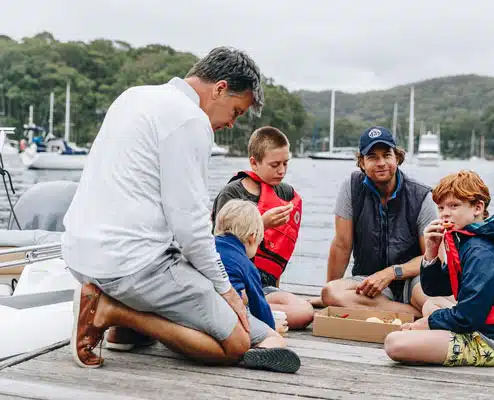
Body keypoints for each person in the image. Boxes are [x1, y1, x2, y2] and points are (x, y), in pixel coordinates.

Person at [63, 46, 287, 371]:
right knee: (236, 341)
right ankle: (111, 312)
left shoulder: (134, 96)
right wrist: (226, 292)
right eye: (236, 112)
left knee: (192, 294)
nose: (230, 123)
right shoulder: (189, 119)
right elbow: (192, 228)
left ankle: (126, 328)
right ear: (220, 88)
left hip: (80, 256)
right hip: (132, 266)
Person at [384, 170, 494, 366]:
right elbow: (436, 290)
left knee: (394, 343)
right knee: (431, 304)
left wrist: (424, 324)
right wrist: (431, 252)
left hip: (491, 342)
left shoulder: (484, 250)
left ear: (478, 207)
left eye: (454, 206)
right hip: (480, 325)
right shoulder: (467, 239)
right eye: (440, 207)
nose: (445, 213)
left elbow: (467, 317)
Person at [319, 126, 438, 317]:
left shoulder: (422, 196)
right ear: (362, 162)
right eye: (373, 156)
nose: (381, 162)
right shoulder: (351, 187)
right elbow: (341, 245)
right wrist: (329, 297)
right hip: (369, 282)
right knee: (330, 292)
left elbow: (431, 258)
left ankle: (418, 310)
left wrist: (391, 273)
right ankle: (417, 314)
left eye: (387, 155)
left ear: (397, 158)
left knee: (425, 295)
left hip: (412, 280)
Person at [211, 126, 314, 329]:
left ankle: (249, 309)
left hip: (264, 285)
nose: (282, 170)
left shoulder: (285, 193)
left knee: (305, 311)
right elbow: (220, 244)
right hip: (234, 281)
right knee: (297, 313)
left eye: (285, 163)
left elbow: (280, 250)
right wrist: (261, 223)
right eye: (274, 164)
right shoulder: (232, 193)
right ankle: (241, 306)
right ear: (254, 163)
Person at [213, 199, 300, 373]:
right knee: (276, 340)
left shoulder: (206, 248)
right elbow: (258, 302)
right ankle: (253, 353)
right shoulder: (246, 263)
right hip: (228, 312)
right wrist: (270, 327)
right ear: (253, 237)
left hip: (200, 308)